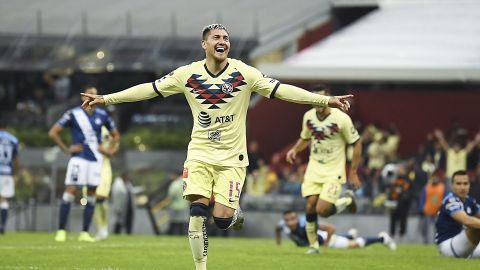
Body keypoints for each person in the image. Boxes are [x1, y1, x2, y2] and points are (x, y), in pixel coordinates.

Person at [80, 24, 353, 270]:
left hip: (233, 159)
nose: (222, 41)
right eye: (216, 37)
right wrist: (106, 99)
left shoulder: (244, 73)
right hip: (199, 154)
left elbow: (282, 89)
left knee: (221, 219)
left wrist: (324, 102)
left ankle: (232, 216)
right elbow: (149, 89)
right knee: (197, 214)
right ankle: (201, 268)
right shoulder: (187, 75)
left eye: (226, 38)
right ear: (205, 44)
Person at [285, 85, 362, 254]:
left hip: (334, 171)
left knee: (323, 210)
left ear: (328, 98)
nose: (319, 102)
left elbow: (356, 143)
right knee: (311, 205)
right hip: (314, 169)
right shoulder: (308, 116)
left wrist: (354, 172)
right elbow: (305, 138)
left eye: (322, 98)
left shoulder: (341, 118)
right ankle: (314, 246)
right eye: (315, 99)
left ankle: (348, 200)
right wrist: (295, 150)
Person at [49, 86, 120, 242]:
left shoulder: (103, 115)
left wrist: (111, 150)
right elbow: (53, 132)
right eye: (90, 94)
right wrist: (67, 149)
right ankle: (61, 231)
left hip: (96, 160)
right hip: (78, 159)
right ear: (83, 97)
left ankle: (85, 233)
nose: (93, 96)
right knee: (70, 191)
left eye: (95, 94)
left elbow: (116, 135)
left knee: (92, 195)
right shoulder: (73, 113)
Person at [276, 210, 396, 250]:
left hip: (324, 239)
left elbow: (330, 228)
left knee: (355, 245)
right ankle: (350, 235)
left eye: (293, 219)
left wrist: (327, 243)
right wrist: (279, 242)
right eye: (288, 220)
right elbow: (277, 228)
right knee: (348, 240)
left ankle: (382, 239)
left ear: (297, 218)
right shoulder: (283, 225)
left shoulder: (306, 224)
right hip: (319, 239)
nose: (290, 222)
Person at [435, 170, 480, 258]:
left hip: (465, 245)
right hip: (448, 245)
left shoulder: (470, 201)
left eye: (465, 183)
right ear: (452, 186)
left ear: (469, 186)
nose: (462, 187)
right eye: (458, 184)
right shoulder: (450, 200)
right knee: (476, 227)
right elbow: (466, 221)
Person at [94, 126, 120, 240]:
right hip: (91, 164)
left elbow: (117, 141)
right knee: (93, 199)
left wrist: (111, 151)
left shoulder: (108, 130)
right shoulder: (88, 126)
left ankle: (104, 228)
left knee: (101, 197)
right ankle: (100, 228)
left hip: (104, 166)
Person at [0, 118, 19, 234]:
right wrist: (16, 174)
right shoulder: (13, 139)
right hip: (7, 172)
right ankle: (3, 225)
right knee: (3, 200)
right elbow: (16, 160)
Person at [418, 169, 447, 244]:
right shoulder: (426, 187)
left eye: (436, 177)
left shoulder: (442, 187)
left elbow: (446, 199)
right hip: (427, 211)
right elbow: (422, 198)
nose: (435, 179)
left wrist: (444, 209)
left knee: (438, 229)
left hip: (438, 212)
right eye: (434, 177)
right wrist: (422, 208)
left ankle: (437, 242)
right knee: (425, 229)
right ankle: (425, 242)